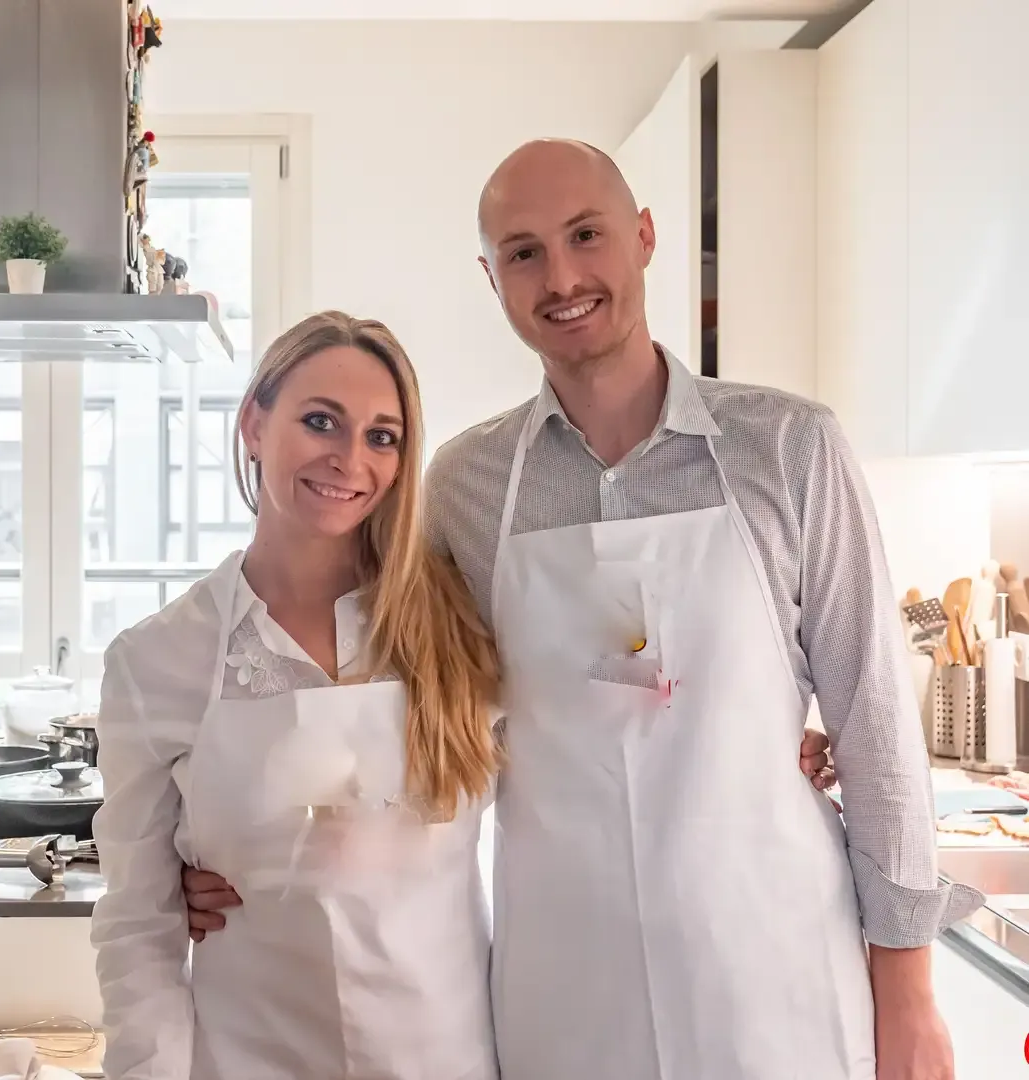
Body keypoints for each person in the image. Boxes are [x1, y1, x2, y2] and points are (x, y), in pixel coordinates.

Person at [182, 140, 984, 1080]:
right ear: (492, 279)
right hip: (564, 989)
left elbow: (875, 724)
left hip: (773, 974)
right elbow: (382, 706)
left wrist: (909, 992)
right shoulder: (465, 487)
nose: (561, 278)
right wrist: (237, 846)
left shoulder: (788, 447)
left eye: (586, 235)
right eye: (524, 253)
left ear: (643, 237)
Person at [91, 308, 838, 1080]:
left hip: (451, 1056)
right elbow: (136, 929)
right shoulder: (157, 661)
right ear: (254, 422)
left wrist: (747, 730)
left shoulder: (460, 613)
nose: (350, 459)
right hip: (248, 1058)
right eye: (320, 421)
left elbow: (615, 697)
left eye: (383, 436)